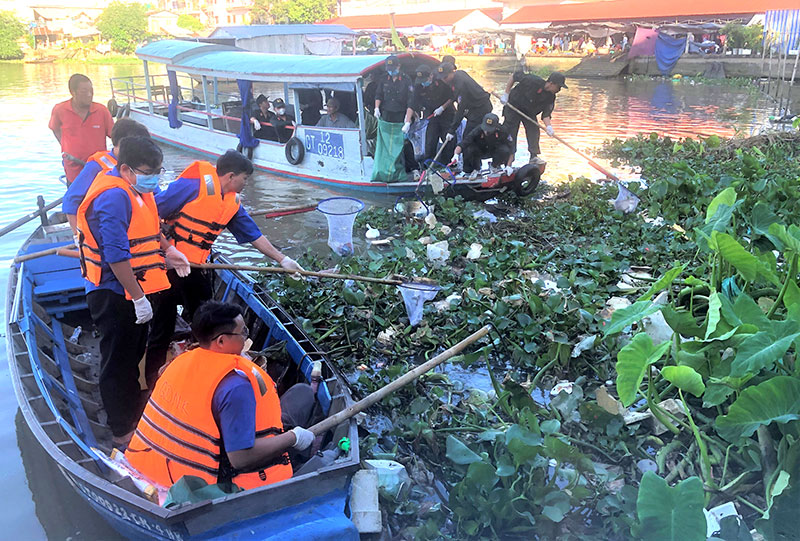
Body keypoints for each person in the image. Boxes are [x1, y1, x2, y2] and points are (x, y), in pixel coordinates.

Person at [148, 150, 304, 384]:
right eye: (245, 178)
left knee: (205, 322)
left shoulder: (231, 202)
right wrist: (166, 249)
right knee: (162, 327)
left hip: (196, 267)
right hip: (167, 264)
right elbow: (150, 212)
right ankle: (152, 383)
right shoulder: (193, 184)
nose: (246, 183)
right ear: (231, 176)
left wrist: (282, 259)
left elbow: (253, 234)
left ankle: (200, 374)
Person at [75, 136, 191, 448]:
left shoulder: (140, 191)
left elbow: (151, 230)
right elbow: (115, 255)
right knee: (118, 361)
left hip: (134, 289)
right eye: (149, 171)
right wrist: (138, 298)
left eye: (159, 170)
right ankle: (120, 429)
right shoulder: (113, 197)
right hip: (113, 292)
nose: (155, 176)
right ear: (126, 169)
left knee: (132, 354)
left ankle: (132, 412)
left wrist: (169, 251)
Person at [125, 301, 315, 489]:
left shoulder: (179, 362)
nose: (246, 339)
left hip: (148, 464)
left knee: (301, 394)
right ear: (221, 341)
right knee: (303, 396)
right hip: (204, 487)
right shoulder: (235, 386)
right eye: (243, 333)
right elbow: (241, 458)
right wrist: (293, 438)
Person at [63, 118, 151, 235]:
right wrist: (77, 237)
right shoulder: (97, 166)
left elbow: (155, 196)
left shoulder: (140, 164)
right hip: (106, 230)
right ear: (121, 144)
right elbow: (71, 200)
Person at [50, 74, 115, 184]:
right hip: (73, 169)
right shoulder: (60, 110)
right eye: (84, 92)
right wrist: (66, 146)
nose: (89, 95)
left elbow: (115, 136)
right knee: (75, 199)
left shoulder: (101, 111)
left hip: (98, 169)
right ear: (72, 92)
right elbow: (55, 128)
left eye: (91, 91)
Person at [500, 71, 567, 163]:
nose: (559, 89)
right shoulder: (532, 80)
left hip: (529, 111)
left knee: (534, 130)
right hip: (513, 107)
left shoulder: (551, 97)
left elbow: (546, 115)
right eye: (558, 87)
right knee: (510, 132)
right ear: (551, 83)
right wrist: (506, 94)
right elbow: (514, 76)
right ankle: (508, 158)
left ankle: (533, 156)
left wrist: (549, 127)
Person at [372, 56, 415, 181]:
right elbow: (378, 95)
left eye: (393, 68)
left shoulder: (406, 80)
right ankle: (387, 167)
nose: (391, 71)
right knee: (386, 141)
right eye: (388, 68)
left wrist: (407, 122)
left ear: (398, 66)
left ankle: (412, 168)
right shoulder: (384, 79)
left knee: (404, 141)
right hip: (386, 114)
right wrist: (377, 108)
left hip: (401, 114)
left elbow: (410, 102)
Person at [436, 62, 493, 150]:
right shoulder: (458, 75)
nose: (444, 80)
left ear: (452, 72)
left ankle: (469, 161)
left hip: (480, 108)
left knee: (468, 137)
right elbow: (454, 97)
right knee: (471, 137)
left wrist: (452, 130)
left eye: (445, 77)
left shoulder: (460, 84)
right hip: (474, 108)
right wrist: (442, 107)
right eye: (442, 78)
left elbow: (461, 109)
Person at [412, 64, 455, 164]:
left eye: (424, 79)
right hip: (431, 115)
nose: (423, 83)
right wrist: (410, 117)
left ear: (430, 76)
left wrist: (442, 108)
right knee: (430, 141)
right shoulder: (419, 85)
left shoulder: (441, 81)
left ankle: (447, 164)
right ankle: (429, 165)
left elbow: (452, 97)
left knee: (448, 141)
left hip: (446, 114)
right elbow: (413, 102)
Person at [451, 113, 513, 180]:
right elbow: (463, 144)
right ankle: (474, 169)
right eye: (485, 129)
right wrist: (456, 155)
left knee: (505, 150)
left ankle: (495, 166)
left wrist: (509, 166)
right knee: (469, 149)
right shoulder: (477, 130)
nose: (487, 132)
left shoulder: (503, 131)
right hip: (480, 151)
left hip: (495, 151)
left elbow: (512, 149)